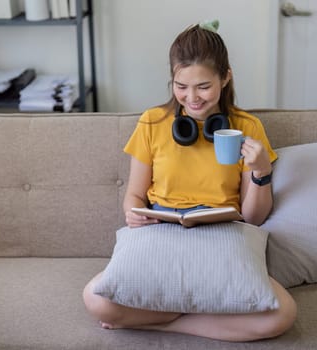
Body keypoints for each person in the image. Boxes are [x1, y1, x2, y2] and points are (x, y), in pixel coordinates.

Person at [83, 20, 297, 342]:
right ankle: (204, 318)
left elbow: (253, 218)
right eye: (181, 86)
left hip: (222, 233)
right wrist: (134, 212)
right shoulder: (152, 122)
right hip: (162, 228)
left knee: (283, 315)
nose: (192, 98)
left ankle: (163, 323)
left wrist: (261, 172)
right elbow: (134, 196)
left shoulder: (247, 127)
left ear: (225, 77)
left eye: (203, 86)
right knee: (94, 298)